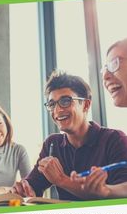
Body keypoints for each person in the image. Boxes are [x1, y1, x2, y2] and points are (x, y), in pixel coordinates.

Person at [12, 70, 127, 201]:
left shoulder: (115, 139)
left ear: (86, 104)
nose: (58, 110)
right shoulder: (52, 144)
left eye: (66, 101)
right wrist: (24, 188)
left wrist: (61, 180)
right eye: (52, 104)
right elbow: (33, 185)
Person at [70, 38, 127, 198]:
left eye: (114, 64)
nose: (106, 77)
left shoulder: (115, 138)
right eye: (105, 69)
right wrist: (106, 191)